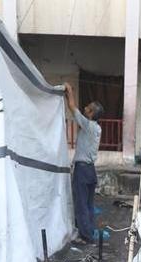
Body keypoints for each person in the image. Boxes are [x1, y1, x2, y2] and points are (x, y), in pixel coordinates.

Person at [63, 83, 103, 243]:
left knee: (81, 204)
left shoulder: (88, 126)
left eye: (88, 108)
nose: (85, 108)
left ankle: (86, 237)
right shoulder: (97, 128)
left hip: (82, 170)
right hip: (90, 171)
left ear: (91, 114)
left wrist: (69, 90)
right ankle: (89, 232)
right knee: (88, 204)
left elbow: (73, 108)